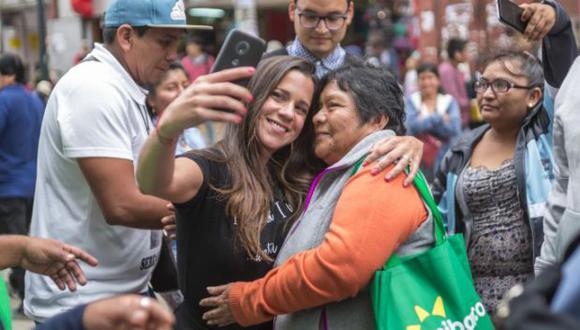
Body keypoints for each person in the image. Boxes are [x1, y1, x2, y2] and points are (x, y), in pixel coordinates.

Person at [23, 0, 251, 322]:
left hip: (124, 290)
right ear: (127, 37)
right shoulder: (94, 89)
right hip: (83, 299)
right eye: (164, 41)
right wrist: (216, 211)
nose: (174, 55)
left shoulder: (125, 89)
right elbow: (122, 204)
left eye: (178, 42)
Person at [199, 64, 434, 330]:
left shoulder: (382, 172)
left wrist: (249, 301)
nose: (317, 118)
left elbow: (339, 268)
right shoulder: (344, 170)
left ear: (376, 120)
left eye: (333, 106)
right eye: (317, 108)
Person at [432, 0, 577, 313]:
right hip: (473, 303)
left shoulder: (546, 133)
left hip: (536, 295)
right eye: (482, 83)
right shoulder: (458, 153)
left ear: (534, 97)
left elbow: (565, 76)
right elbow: (437, 225)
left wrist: (556, 22)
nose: (486, 93)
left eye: (501, 85)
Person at [262, 0, 424, 182]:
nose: (322, 29)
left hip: (342, 194)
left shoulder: (365, 78)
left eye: (333, 18)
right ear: (293, 10)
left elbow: (389, 135)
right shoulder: (262, 70)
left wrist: (408, 143)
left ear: (349, 13)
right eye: (310, 17)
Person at [0, 52, 44, 311]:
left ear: (9, 75)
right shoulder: (34, 99)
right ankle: (30, 292)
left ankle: (26, 296)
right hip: (33, 182)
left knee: (15, 245)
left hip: (8, 185)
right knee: (30, 239)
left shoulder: (3, 100)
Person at [405, 62, 461, 181]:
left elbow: (454, 129)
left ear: (438, 80)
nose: (426, 82)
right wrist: (439, 118)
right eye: (422, 78)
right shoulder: (412, 101)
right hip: (418, 159)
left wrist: (424, 121)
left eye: (430, 77)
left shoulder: (448, 101)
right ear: (417, 82)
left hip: (444, 157)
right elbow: (411, 127)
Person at [147, 61, 207, 154]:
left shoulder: (192, 131)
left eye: (185, 85)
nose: (183, 93)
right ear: (151, 99)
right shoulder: (147, 137)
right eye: (171, 88)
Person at [438, 38, 470, 128]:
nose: (468, 54)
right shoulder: (446, 70)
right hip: (453, 122)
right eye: (465, 51)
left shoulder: (456, 69)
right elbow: (453, 98)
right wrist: (470, 103)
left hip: (461, 120)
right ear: (457, 54)